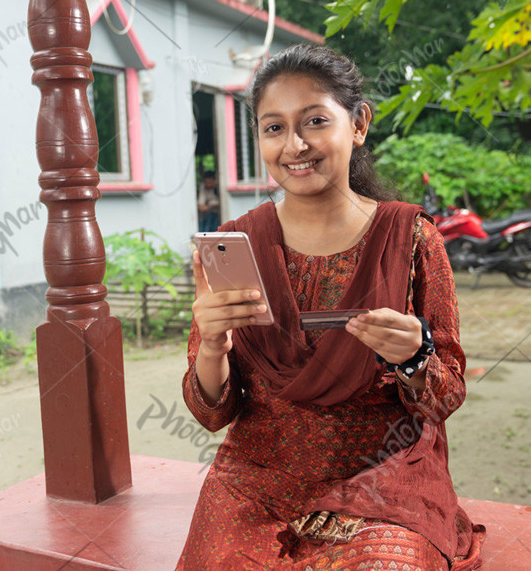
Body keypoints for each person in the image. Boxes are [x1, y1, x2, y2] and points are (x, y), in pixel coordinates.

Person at [177, 45, 484, 570]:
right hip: (257, 480)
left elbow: (443, 397)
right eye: (273, 128)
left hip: (384, 481)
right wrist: (211, 346)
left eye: (314, 121)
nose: (294, 145)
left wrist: (413, 358)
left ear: (359, 124)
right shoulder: (236, 244)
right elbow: (211, 413)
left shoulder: (411, 238)